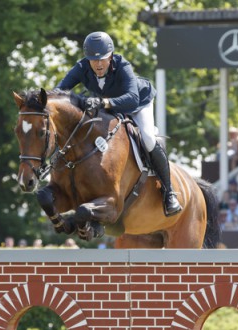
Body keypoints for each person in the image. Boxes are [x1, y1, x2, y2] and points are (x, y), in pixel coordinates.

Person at [56, 31, 182, 216]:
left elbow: (132, 98)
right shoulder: (81, 67)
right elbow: (60, 91)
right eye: (93, 60)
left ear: (111, 56)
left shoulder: (123, 65)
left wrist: (104, 102)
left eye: (103, 59)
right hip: (111, 106)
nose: (98, 64)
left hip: (139, 103)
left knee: (147, 138)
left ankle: (169, 192)